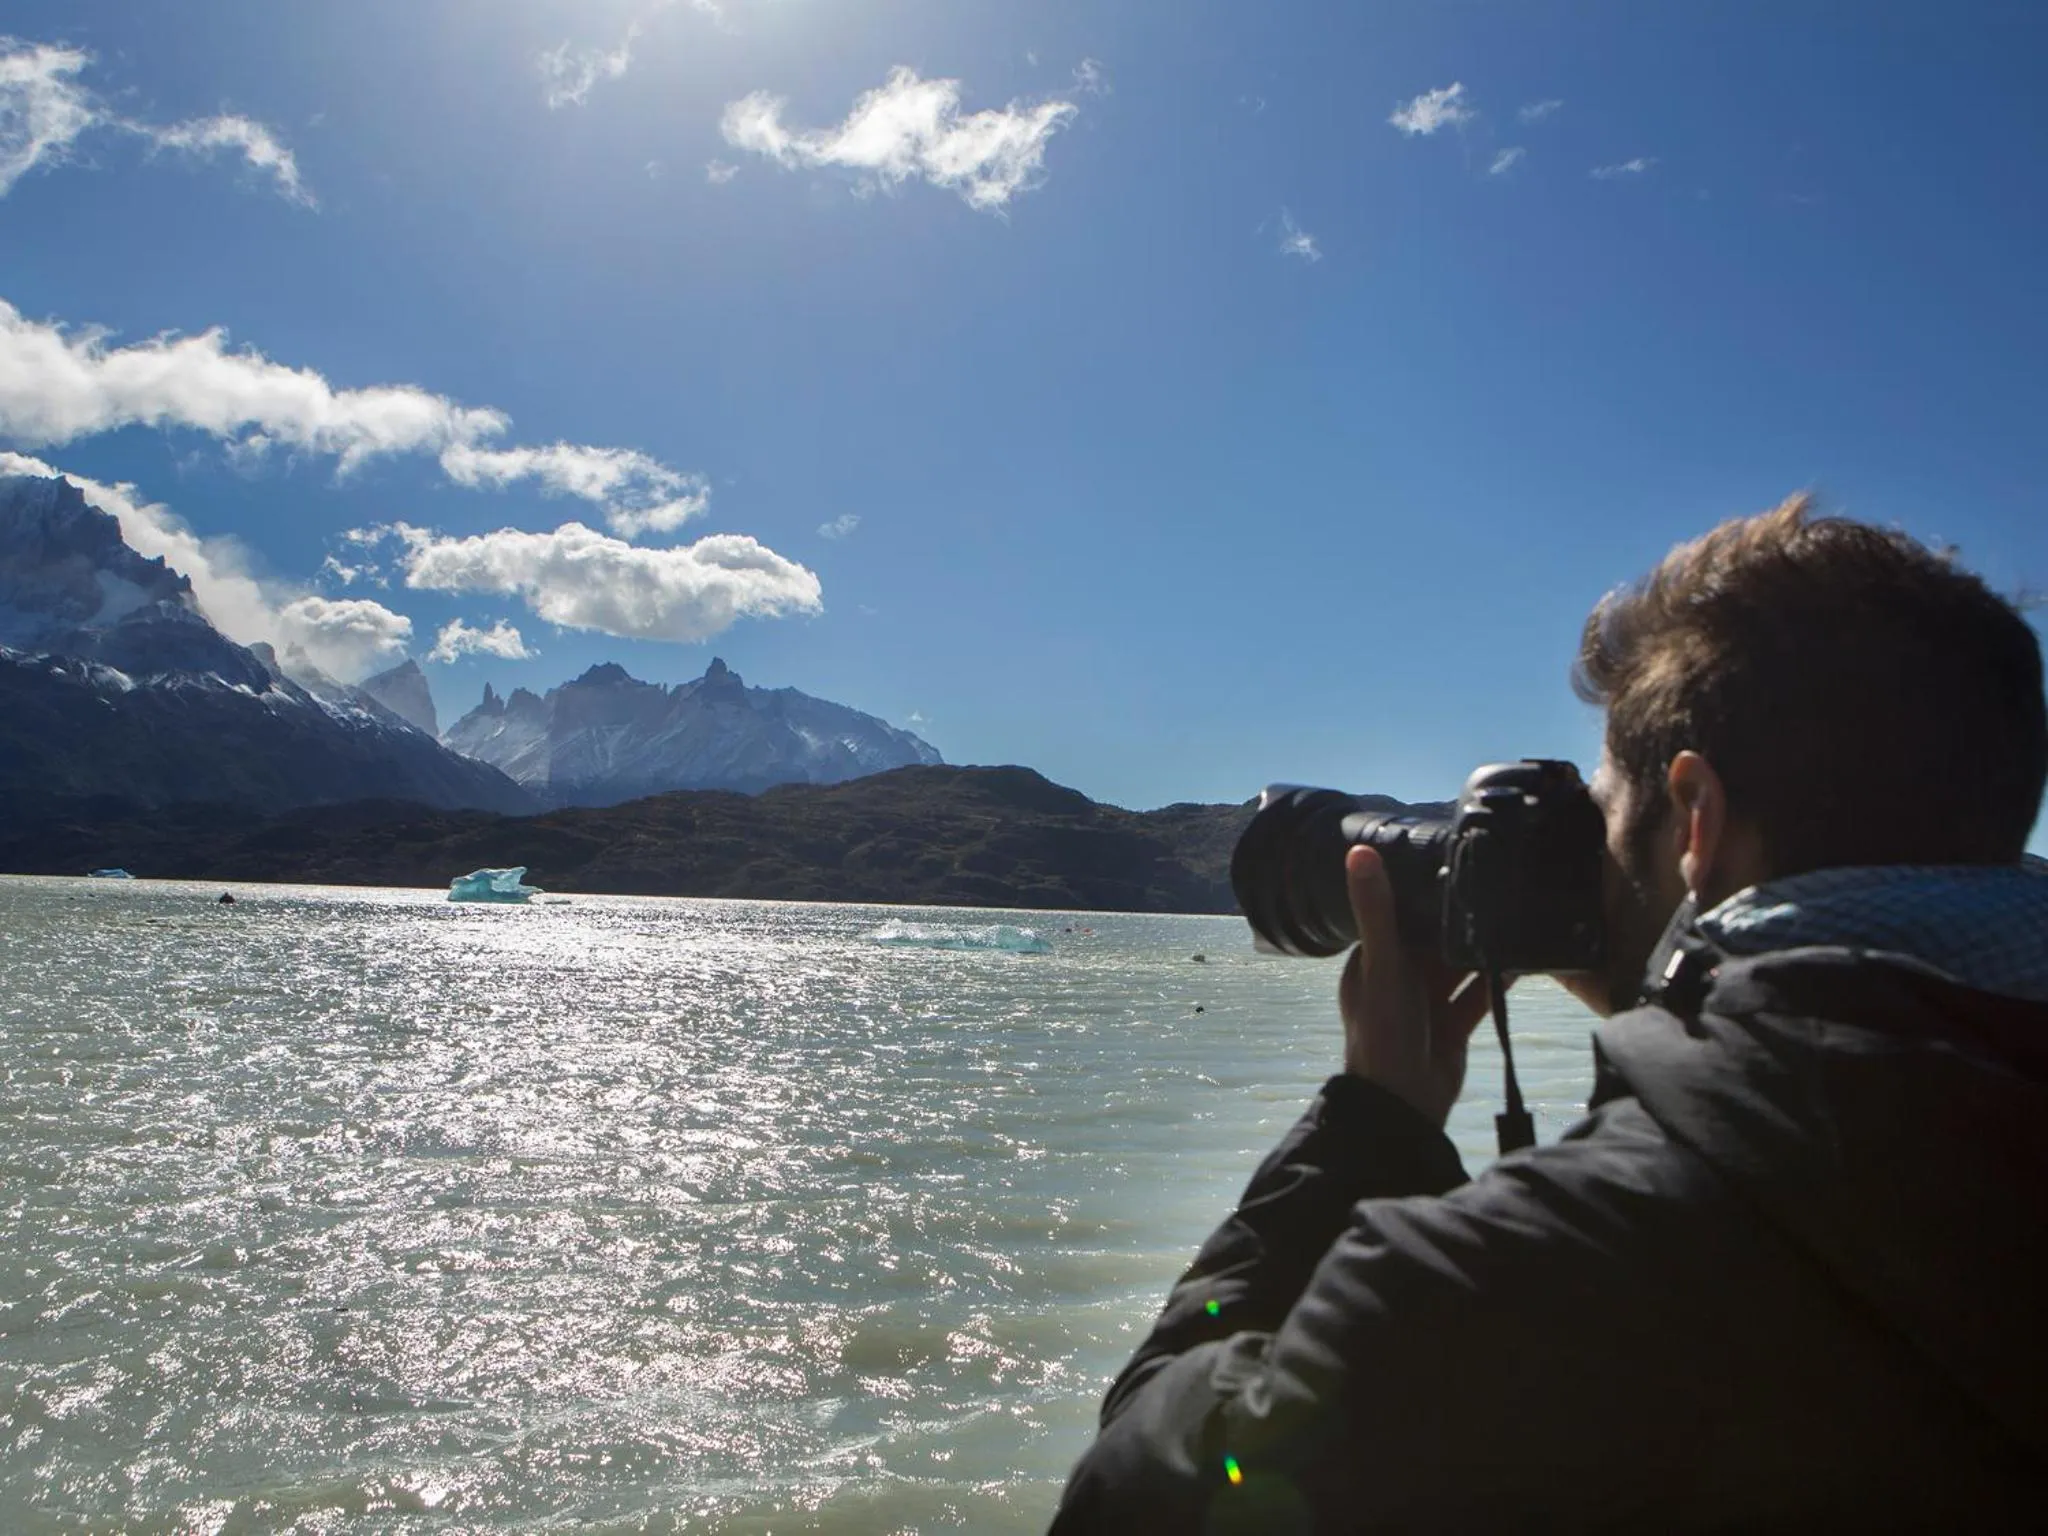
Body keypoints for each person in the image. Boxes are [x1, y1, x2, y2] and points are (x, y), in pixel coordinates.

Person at [1051, 495, 2048, 1531]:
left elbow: (1130, 1494)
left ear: (1695, 819)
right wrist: (1668, 990)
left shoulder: (1534, 1281)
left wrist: (1369, 1122)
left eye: (1606, 818)